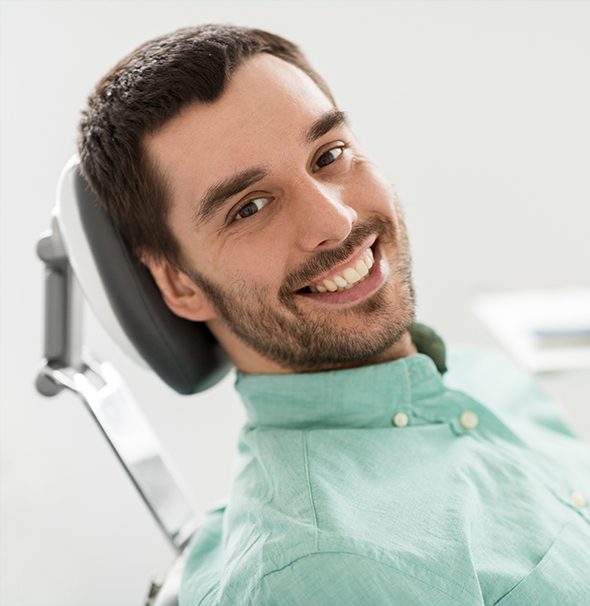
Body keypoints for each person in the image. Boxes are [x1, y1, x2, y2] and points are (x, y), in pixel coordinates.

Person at [78, 24, 589, 606]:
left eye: (329, 155)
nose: (336, 221)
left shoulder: (483, 377)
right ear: (178, 283)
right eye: (250, 207)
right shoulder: (315, 571)